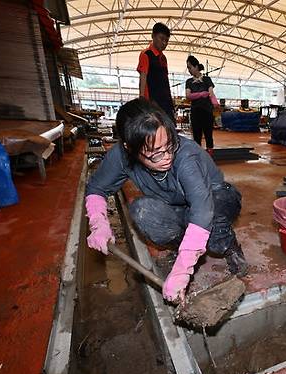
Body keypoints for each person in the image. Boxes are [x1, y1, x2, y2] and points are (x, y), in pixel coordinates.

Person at [84, 98, 248, 304]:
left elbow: (202, 209)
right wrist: (98, 224)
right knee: (142, 211)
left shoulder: (186, 156)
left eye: (169, 145)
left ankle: (228, 245)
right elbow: (96, 188)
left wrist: (182, 270)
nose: (167, 156)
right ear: (129, 148)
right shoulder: (120, 156)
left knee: (213, 226)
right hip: (178, 208)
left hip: (215, 200)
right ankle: (183, 247)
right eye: (155, 154)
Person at [137, 23, 175, 119]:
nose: (164, 43)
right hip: (152, 101)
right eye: (161, 39)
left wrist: (170, 100)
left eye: (166, 41)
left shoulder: (163, 58)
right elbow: (143, 76)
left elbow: (165, 80)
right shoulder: (146, 54)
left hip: (165, 101)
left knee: (169, 129)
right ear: (153, 36)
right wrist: (142, 99)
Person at [185, 55, 219, 155]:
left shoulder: (207, 79)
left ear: (196, 67)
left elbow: (211, 93)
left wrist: (215, 104)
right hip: (195, 111)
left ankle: (210, 156)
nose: (189, 70)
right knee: (196, 136)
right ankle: (197, 157)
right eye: (188, 68)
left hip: (207, 111)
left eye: (190, 67)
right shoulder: (189, 81)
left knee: (208, 135)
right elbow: (188, 96)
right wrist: (200, 94)